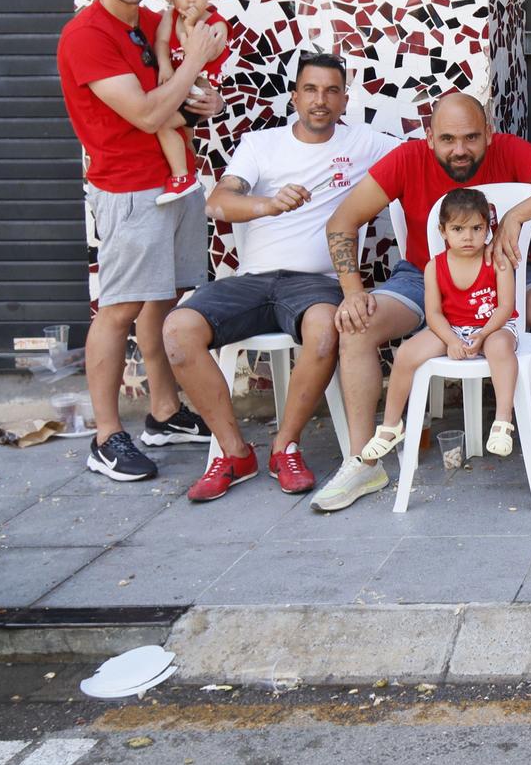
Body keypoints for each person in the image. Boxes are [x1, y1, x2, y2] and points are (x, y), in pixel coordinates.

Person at [316, 92, 531, 512]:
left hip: (504, 274)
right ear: (428, 138)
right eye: (447, 139)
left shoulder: (510, 150)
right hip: (424, 278)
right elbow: (342, 221)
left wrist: (515, 216)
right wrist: (352, 291)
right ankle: (363, 459)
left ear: (489, 134)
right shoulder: (406, 159)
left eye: (471, 137)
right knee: (356, 326)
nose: (460, 149)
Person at [159, 52, 397, 502]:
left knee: (327, 329)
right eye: (310, 89)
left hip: (316, 282)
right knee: (177, 329)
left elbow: (426, 156)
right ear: (294, 96)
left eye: (331, 91)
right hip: (252, 280)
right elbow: (219, 202)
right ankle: (233, 453)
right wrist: (267, 205)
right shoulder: (261, 144)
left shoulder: (366, 143)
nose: (320, 100)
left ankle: (284, 446)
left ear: (345, 100)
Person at [57, 0, 224, 482]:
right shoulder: (88, 36)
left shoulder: (151, 23)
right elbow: (150, 113)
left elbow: (192, 93)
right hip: (129, 191)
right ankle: (105, 437)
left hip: (177, 182)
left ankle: (164, 412)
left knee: (165, 301)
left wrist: (206, 96)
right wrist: (191, 73)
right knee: (120, 308)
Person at [355, 187, 522, 464]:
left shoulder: (497, 262)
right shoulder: (435, 267)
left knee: (500, 347)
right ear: (443, 231)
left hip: (494, 326)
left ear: (488, 229)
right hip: (451, 327)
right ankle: (391, 425)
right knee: (407, 353)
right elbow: (433, 313)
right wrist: (452, 340)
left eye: (476, 228)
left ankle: (503, 420)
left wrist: (483, 333)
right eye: (458, 229)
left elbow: (505, 307)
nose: (467, 237)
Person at [151, 0, 231, 204]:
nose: (191, 0)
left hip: (197, 94)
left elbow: (203, 54)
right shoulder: (168, 17)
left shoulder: (216, 24)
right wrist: (164, 66)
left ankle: (181, 177)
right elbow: (162, 42)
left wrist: (190, 25)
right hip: (177, 90)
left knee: (163, 125)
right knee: (184, 137)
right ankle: (188, 176)